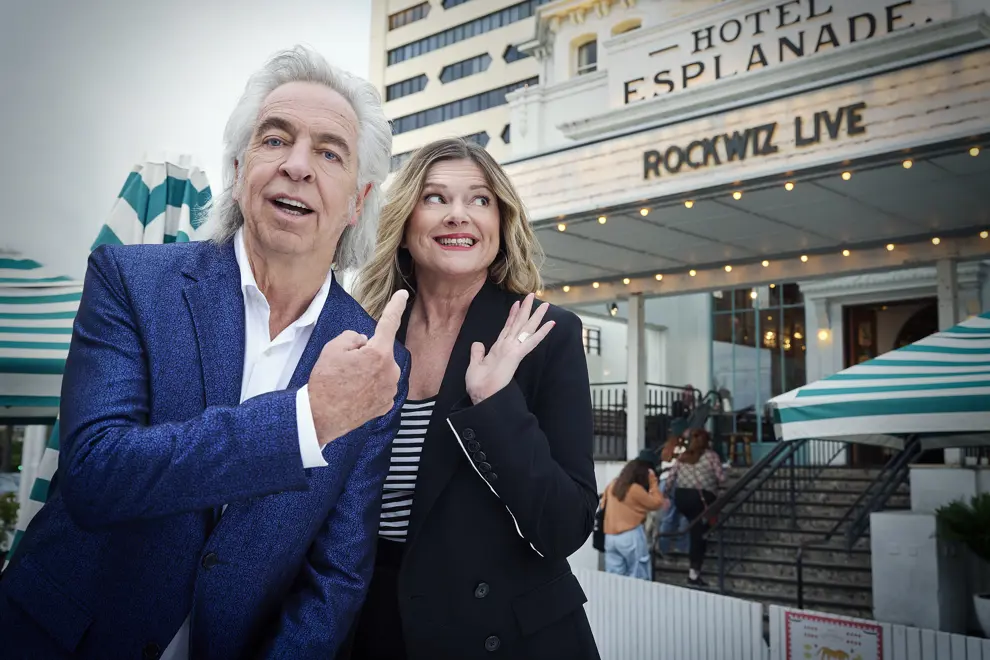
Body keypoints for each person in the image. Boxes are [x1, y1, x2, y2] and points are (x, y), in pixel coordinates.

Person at [0, 46, 410, 659]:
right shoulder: (130, 281)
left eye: (329, 152)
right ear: (242, 168)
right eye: (276, 140)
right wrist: (306, 421)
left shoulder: (376, 364)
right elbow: (95, 475)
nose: (297, 165)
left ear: (357, 200)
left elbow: (337, 577)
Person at [345, 137, 600, 660]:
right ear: (404, 222)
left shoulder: (545, 333)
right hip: (377, 624)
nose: (458, 215)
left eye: (480, 200)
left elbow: (565, 526)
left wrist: (493, 406)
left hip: (504, 635)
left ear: (501, 223)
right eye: (435, 198)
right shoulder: (362, 334)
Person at [667, 428, 726, 587]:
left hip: (681, 498)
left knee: (693, 526)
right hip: (701, 499)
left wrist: (667, 493)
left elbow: (670, 478)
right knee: (699, 534)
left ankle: (680, 548)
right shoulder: (712, 456)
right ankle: (694, 573)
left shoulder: (682, 457)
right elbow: (722, 478)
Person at [600, 458, 666, 581]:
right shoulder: (634, 489)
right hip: (630, 535)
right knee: (639, 576)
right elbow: (657, 503)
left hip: (610, 537)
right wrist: (653, 482)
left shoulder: (613, 485)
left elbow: (603, 505)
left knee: (614, 578)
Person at [656, 421, 691, 556]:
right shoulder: (683, 448)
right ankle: (682, 547)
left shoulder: (667, 448)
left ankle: (663, 547)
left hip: (664, 482)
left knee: (667, 516)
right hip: (677, 481)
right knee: (684, 514)